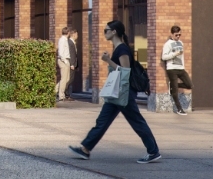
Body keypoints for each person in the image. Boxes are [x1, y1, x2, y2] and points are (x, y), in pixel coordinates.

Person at [69, 20, 161, 164]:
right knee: (102, 121)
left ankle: (153, 151)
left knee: (137, 122)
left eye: (106, 30)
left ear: (114, 32)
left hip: (124, 93)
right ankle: (85, 149)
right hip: (116, 93)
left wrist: (108, 60)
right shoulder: (118, 49)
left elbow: (125, 71)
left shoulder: (122, 50)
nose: (104, 33)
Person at [161, 26, 190, 114]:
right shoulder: (168, 44)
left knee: (190, 85)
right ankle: (179, 109)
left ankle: (173, 86)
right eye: (176, 35)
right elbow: (164, 57)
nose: (178, 37)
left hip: (181, 68)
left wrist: (183, 66)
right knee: (175, 91)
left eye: (179, 35)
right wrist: (174, 54)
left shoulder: (181, 43)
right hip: (172, 68)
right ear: (172, 34)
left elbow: (182, 57)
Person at [56, 26, 76, 102]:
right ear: (68, 33)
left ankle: (54, 91)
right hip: (63, 61)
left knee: (66, 79)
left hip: (65, 60)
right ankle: (61, 96)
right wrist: (65, 61)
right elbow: (61, 52)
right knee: (64, 79)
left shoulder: (65, 40)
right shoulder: (62, 40)